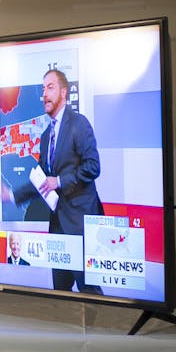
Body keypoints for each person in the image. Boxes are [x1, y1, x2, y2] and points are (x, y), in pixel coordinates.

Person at [35, 68, 102, 293]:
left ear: (64, 92)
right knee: (60, 293)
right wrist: (13, 195)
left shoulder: (78, 124)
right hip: (57, 227)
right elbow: (43, 179)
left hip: (80, 225)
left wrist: (60, 181)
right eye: (43, 89)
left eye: (50, 87)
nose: (45, 93)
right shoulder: (46, 137)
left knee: (90, 292)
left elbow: (93, 166)